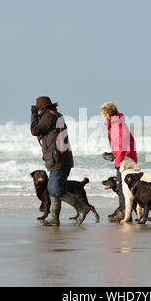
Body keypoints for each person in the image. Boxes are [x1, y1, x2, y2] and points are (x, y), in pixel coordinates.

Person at [31, 96, 90, 226]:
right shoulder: (54, 115)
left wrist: (33, 115)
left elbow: (35, 130)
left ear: (42, 109)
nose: (37, 111)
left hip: (58, 159)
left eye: (37, 109)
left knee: (55, 190)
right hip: (59, 158)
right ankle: (54, 218)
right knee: (54, 189)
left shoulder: (49, 116)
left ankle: (82, 208)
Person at [100, 102, 137, 222]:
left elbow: (122, 145)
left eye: (102, 114)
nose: (101, 116)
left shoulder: (117, 125)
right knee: (122, 186)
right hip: (124, 157)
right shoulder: (115, 123)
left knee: (122, 187)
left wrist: (118, 160)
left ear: (107, 114)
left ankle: (123, 212)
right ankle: (123, 209)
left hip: (125, 159)